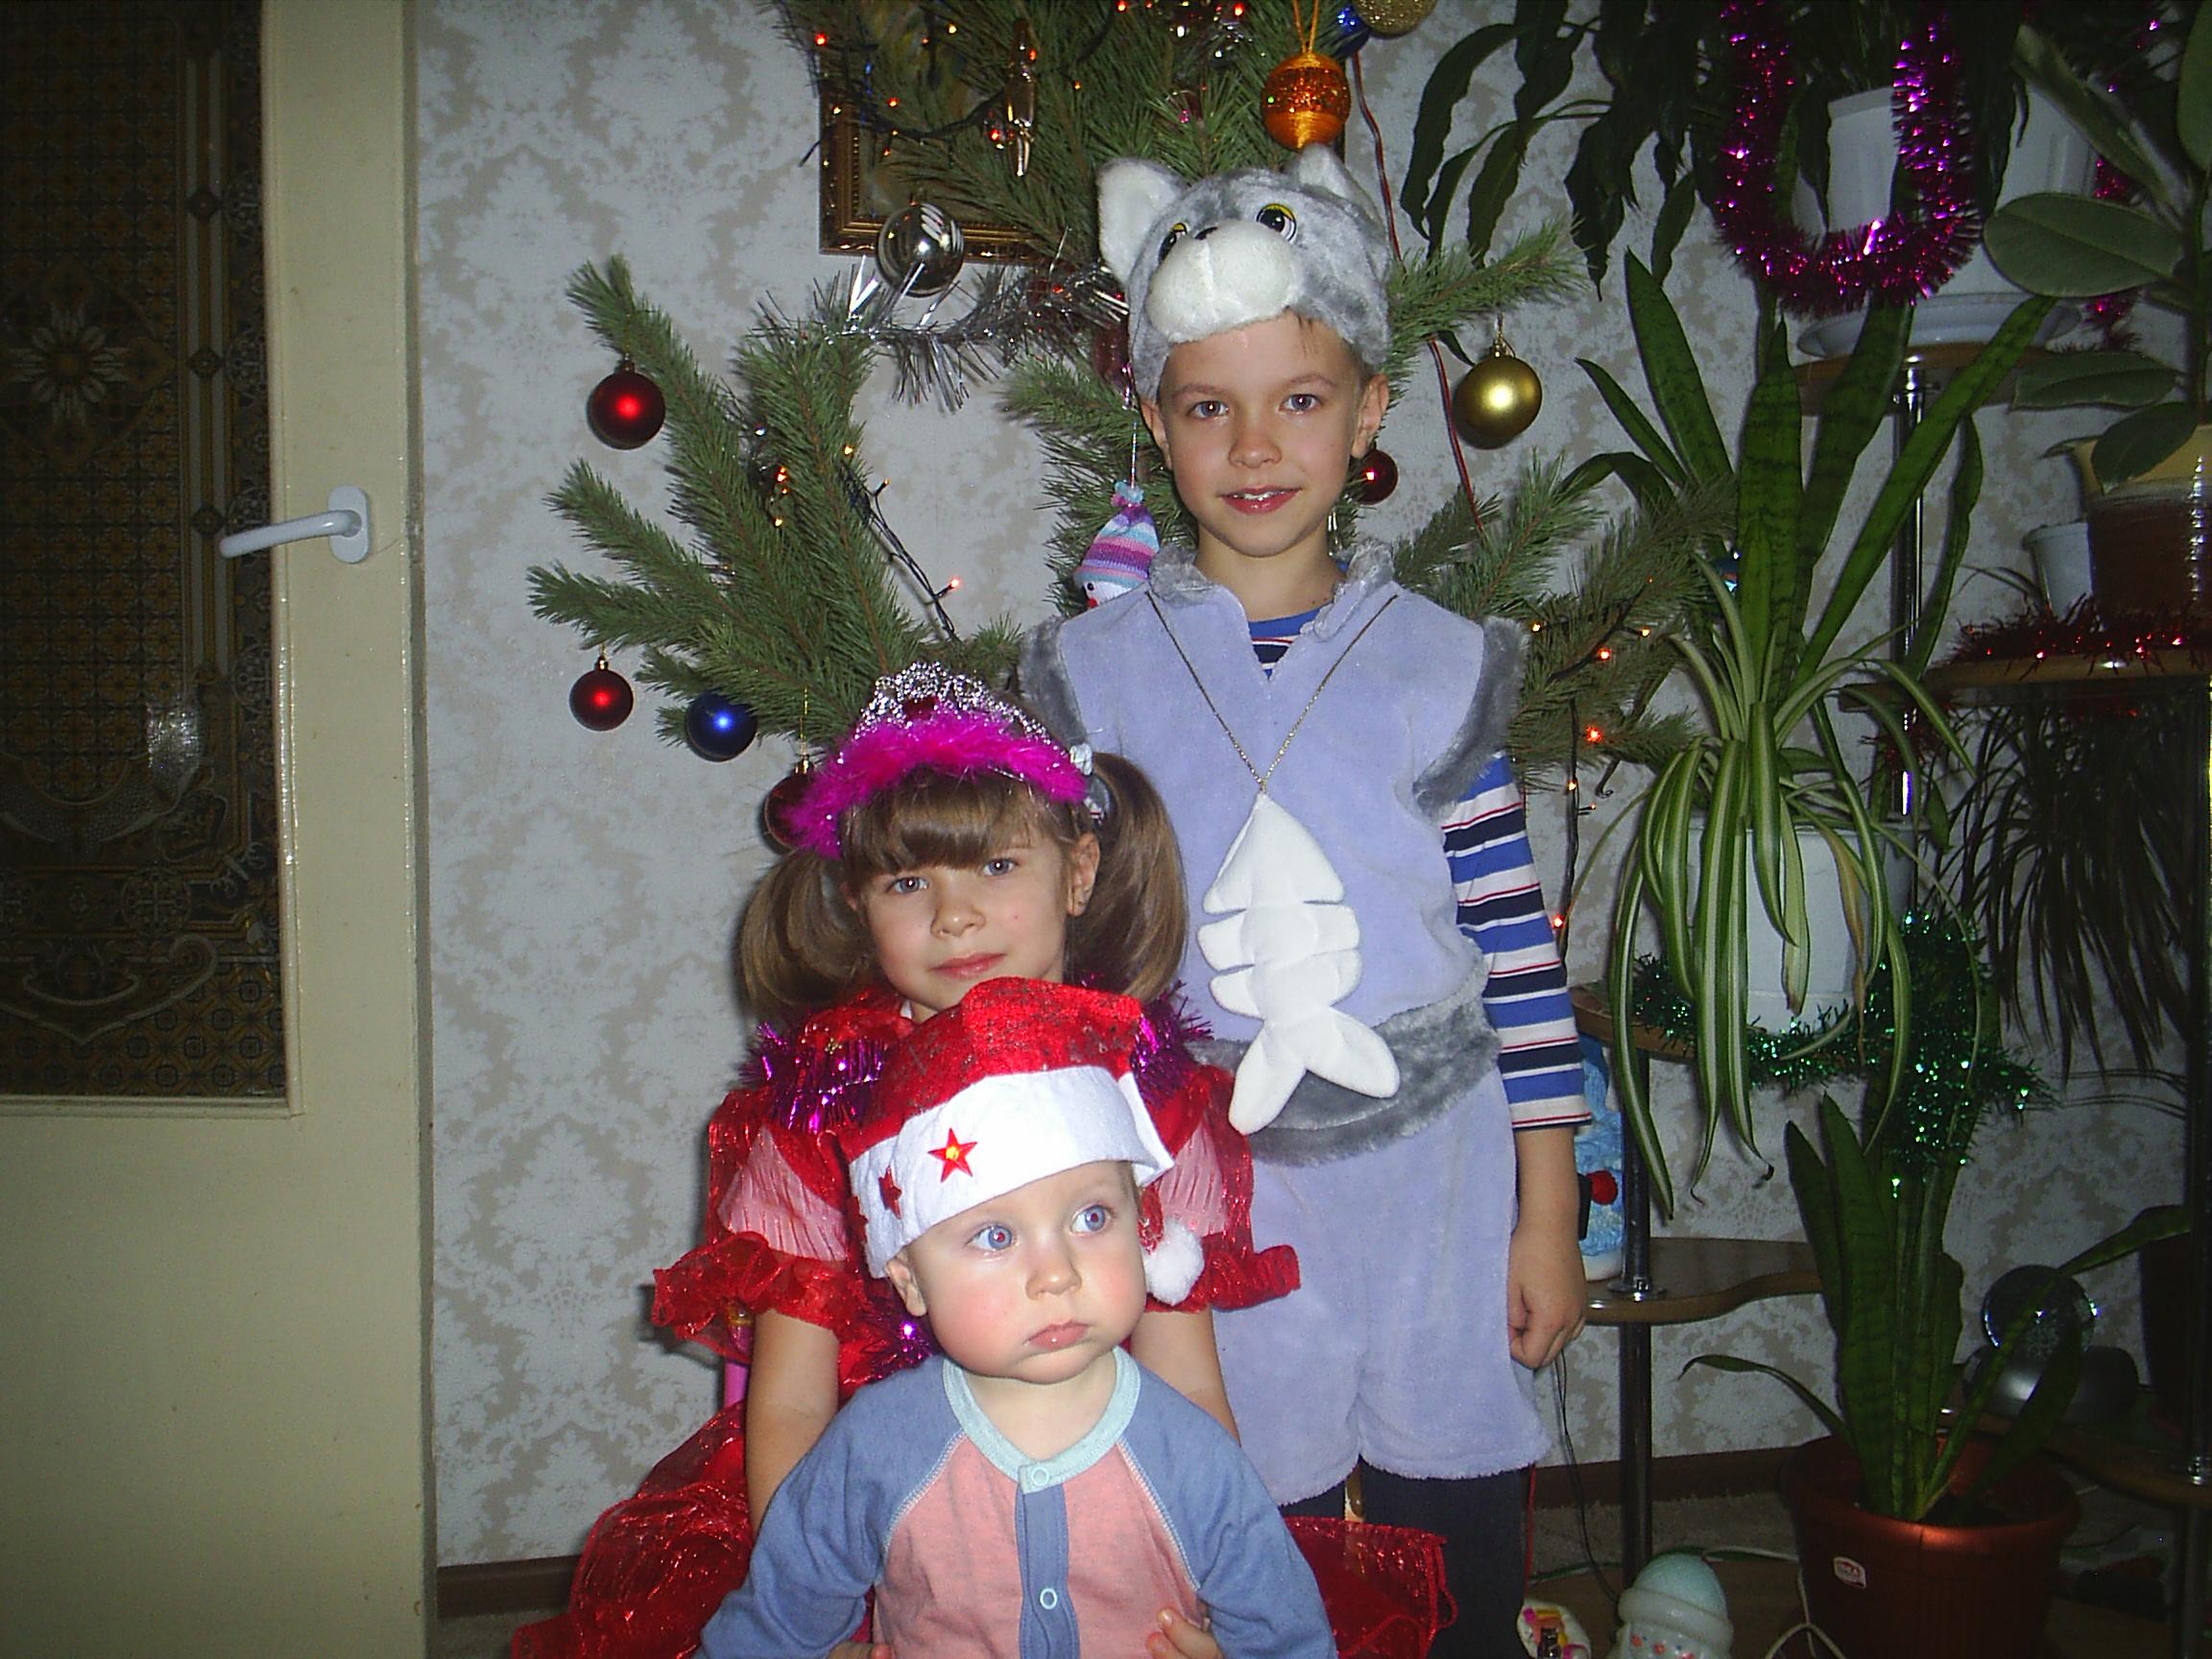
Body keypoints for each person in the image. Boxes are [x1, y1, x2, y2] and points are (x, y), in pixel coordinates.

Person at [1018, 144, 1590, 1659]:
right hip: (1217, 1189)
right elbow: (1072, 964)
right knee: (1243, 1532)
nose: (1256, 445)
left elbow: (1518, 960)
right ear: (1156, 423)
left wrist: (1549, 1212)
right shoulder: (1096, 678)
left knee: (1452, 1527)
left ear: (1371, 411)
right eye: (1210, 407)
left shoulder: (1440, 667)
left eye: (1301, 400)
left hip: (1436, 1179)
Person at [516, 664, 1297, 1659]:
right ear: (855, 898)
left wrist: (1213, 1597)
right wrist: (826, 1621)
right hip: (870, 1509)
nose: (954, 917)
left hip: (1100, 1488)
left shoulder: (1151, 1099)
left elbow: (1185, 1383)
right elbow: (791, 1399)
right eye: (909, 882)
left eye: (997, 866)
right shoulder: (818, 1114)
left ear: (1079, 871)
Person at [697, 976, 1336, 1659]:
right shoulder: (873, 1450)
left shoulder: (1192, 1456)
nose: (1057, 1273)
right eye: (996, 1236)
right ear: (910, 1281)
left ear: (1143, 1228)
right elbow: (776, 1622)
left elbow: (1290, 1639)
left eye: (1092, 1218)